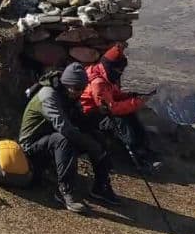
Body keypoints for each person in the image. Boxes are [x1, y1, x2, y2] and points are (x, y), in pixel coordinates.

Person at [19, 62, 114, 213]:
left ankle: (101, 187)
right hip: (32, 146)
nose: (79, 92)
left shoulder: (69, 95)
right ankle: (66, 192)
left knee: (96, 135)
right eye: (76, 88)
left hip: (51, 139)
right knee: (63, 139)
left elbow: (79, 120)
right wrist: (90, 145)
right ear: (66, 84)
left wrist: (99, 116)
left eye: (82, 88)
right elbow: (65, 128)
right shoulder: (48, 95)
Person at [81, 44, 159, 178]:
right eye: (119, 70)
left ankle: (144, 150)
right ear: (110, 67)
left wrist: (131, 96)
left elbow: (114, 95)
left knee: (129, 115)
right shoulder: (98, 82)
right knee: (121, 120)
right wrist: (137, 102)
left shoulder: (104, 75)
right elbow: (112, 109)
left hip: (99, 111)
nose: (120, 73)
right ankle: (138, 159)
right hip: (90, 117)